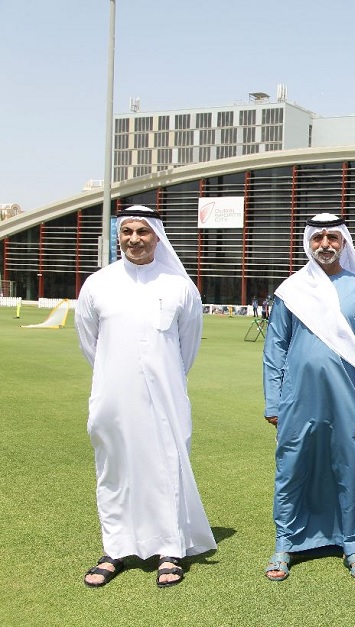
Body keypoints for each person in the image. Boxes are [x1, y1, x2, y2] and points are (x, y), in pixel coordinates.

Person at [75, 205, 216, 589]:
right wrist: (120, 374)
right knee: (114, 470)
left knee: (165, 466)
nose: (134, 239)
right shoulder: (97, 284)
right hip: (113, 396)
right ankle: (116, 548)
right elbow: (91, 343)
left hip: (165, 396)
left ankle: (170, 549)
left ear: (157, 236)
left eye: (142, 232)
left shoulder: (179, 286)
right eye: (127, 232)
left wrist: (160, 376)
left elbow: (187, 348)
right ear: (118, 236)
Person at [262, 213, 355, 582]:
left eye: (332, 237)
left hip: (347, 398)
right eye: (318, 238)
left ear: (344, 242)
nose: (325, 244)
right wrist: (273, 401)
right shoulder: (292, 289)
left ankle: (354, 542)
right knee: (292, 468)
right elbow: (276, 349)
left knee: (350, 467)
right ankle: (285, 542)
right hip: (296, 399)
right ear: (308, 242)